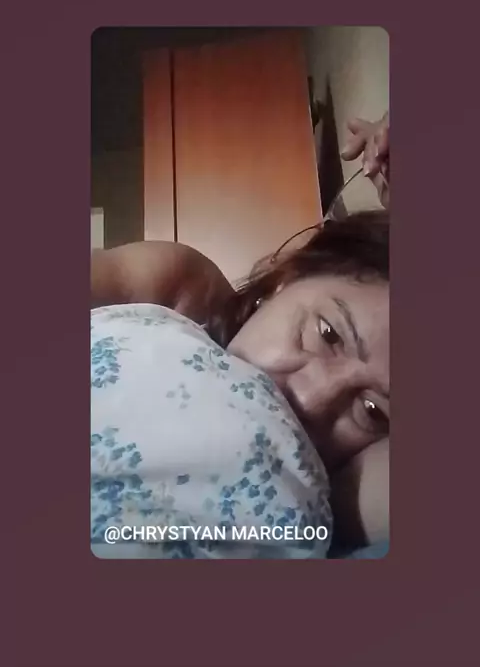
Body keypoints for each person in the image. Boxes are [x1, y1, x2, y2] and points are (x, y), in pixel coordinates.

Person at [91, 112, 390, 551]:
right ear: (288, 278)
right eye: (328, 334)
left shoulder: (331, 492)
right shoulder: (181, 289)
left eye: (372, 410)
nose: (311, 400)